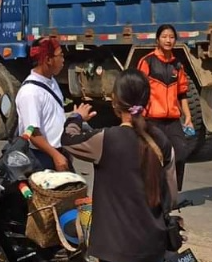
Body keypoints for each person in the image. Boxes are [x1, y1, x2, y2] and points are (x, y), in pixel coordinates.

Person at [62, 69, 178, 262]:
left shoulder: (106, 140)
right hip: (153, 246)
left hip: (114, 249)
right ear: (148, 100)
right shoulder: (162, 141)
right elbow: (171, 197)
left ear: (115, 101)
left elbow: (68, 139)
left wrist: (77, 118)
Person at [15, 37, 95, 171]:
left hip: (58, 153)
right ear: (48, 60)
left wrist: (76, 117)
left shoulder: (51, 81)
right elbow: (33, 133)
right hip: (43, 158)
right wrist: (55, 155)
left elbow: (52, 118)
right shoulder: (30, 92)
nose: (63, 60)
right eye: (60, 55)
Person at [136, 24, 194, 190]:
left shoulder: (177, 65)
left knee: (181, 152)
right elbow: (139, 90)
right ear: (157, 40)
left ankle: (173, 191)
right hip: (152, 119)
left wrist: (187, 116)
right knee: (154, 156)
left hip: (173, 120)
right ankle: (153, 192)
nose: (168, 40)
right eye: (164, 37)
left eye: (171, 37)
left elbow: (182, 93)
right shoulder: (147, 62)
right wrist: (138, 116)